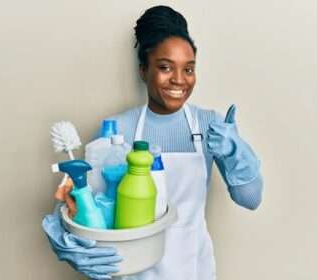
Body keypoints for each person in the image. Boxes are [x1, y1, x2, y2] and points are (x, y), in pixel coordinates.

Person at [42, 5, 263, 280]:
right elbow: (83, 203)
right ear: (143, 70)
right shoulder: (117, 128)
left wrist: (235, 153)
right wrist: (66, 243)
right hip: (131, 271)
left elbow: (250, 199)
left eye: (189, 69)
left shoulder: (210, 125)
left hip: (192, 269)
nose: (179, 80)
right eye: (165, 67)